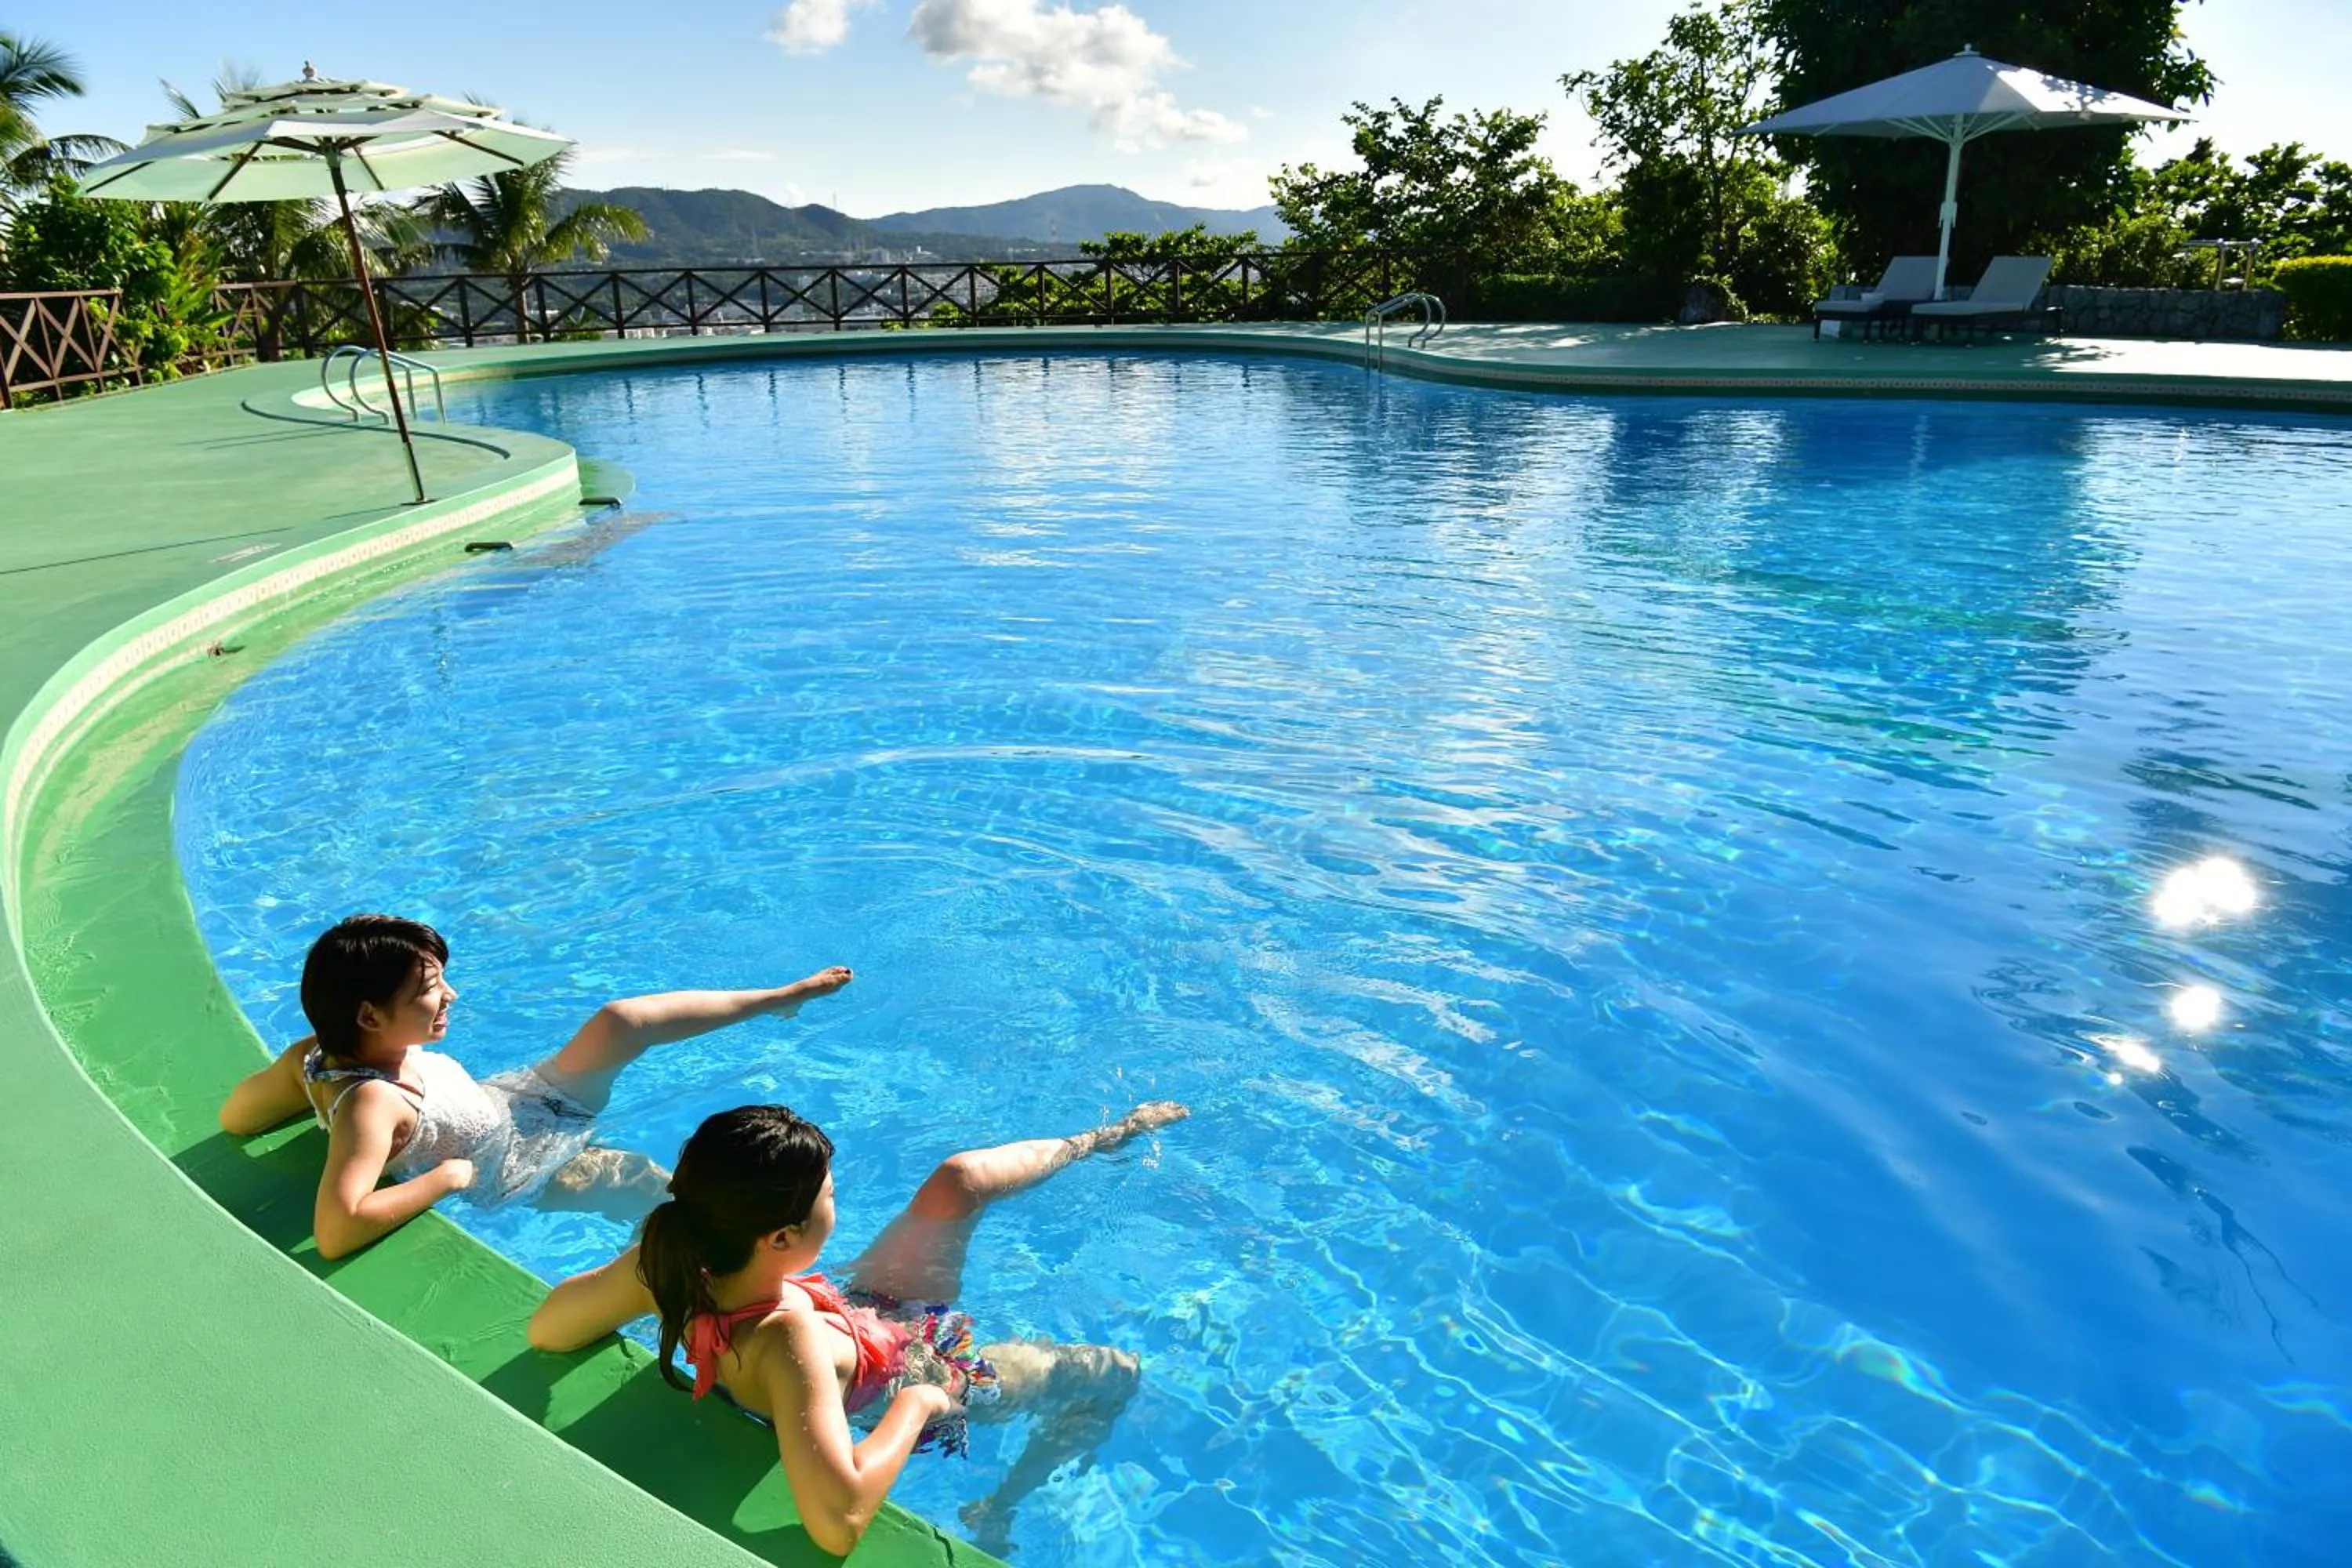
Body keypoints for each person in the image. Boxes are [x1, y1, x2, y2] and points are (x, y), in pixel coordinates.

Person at [528, 1099, 1189, 1557]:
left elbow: (550, 1329)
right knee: (1113, 1376)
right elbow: (837, 1523)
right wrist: (919, 1402)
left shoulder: (671, 1257)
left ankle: (1102, 1140)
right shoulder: (788, 1343)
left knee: (957, 1182)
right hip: (921, 1369)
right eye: (831, 1198)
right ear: (783, 1236)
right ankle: (1002, 1506)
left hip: (858, 1314)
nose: (837, 1205)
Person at [217, 913, 852, 1258]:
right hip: (518, 1166)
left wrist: (307, 1100)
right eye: (429, 991)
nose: (450, 996)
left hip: (513, 1102)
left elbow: (239, 1117)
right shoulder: (372, 1105)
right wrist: (446, 1179)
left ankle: (778, 999)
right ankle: (772, 1261)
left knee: (620, 1022)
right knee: (654, 1191)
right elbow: (337, 1229)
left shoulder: (317, 1055)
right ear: (367, 1015)